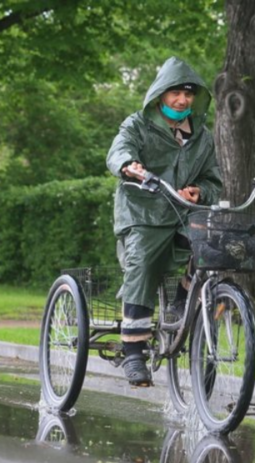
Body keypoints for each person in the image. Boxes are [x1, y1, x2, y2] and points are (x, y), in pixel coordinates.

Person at [106, 57, 222, 387]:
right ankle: (133, 351)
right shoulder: (137, 125)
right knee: (142, 263)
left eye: (188, 95)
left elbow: (214, 180)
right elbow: (118, 151)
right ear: (160, 95)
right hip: (141, 213)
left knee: (209, 247)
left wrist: (201, 191)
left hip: (182, 212)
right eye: (175, 94)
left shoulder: (202, 136)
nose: (182, 101)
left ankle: (180, 304)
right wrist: (129, 165)